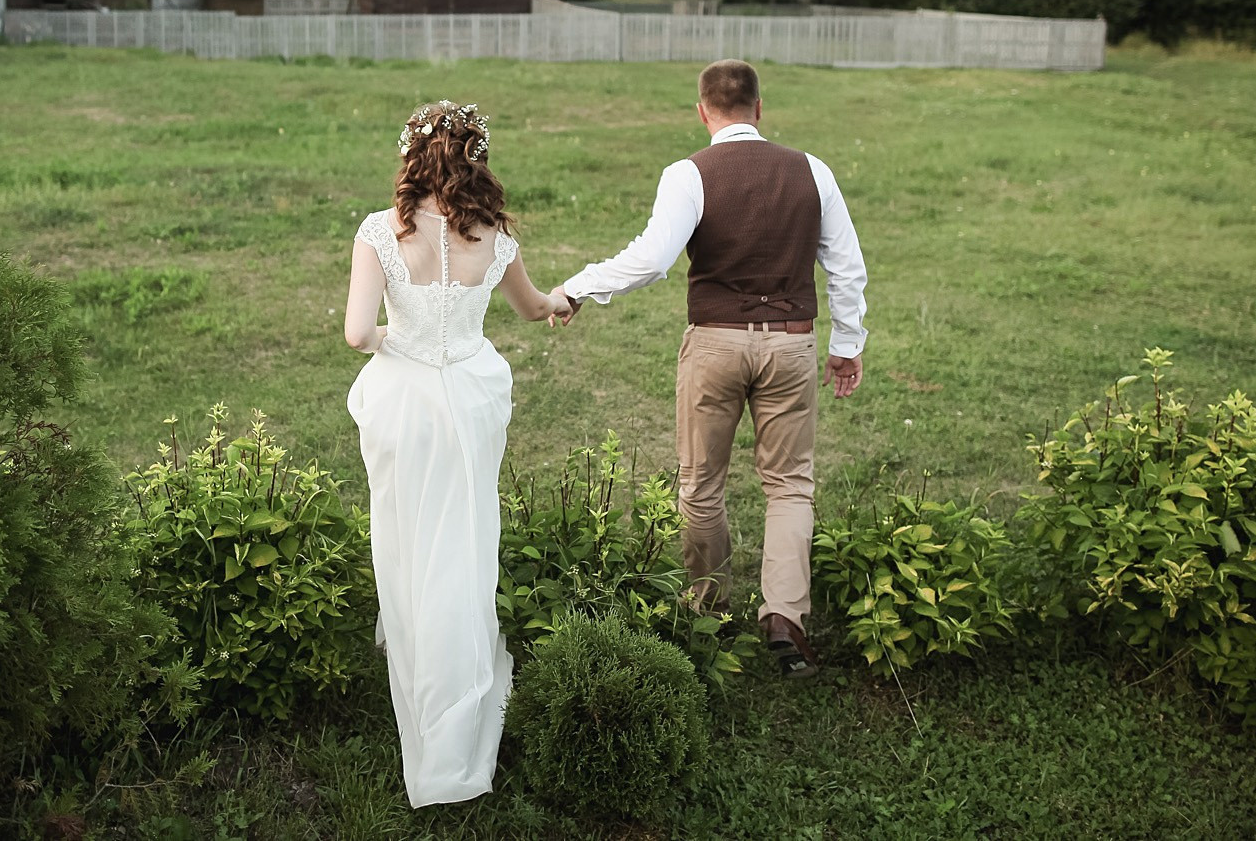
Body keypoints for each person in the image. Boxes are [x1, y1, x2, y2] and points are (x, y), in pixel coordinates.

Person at [549, 59, 868, 677]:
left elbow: (652, 258)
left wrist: (580, 286)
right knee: (790, 483)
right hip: (792, 344)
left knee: (701, 484)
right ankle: (785, 617)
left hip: (715, 347)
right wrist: (846, 343)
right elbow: (846, 264)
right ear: (759, 107)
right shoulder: (812, 170)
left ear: (703, 111)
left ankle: (710, 612)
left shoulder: (689, 173)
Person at [343, 99, 567, 808]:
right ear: (477, 160)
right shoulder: (494, 235)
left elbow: (356, 333)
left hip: (403, 404)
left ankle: (410, 642)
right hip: (469, 400)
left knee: (407, 533)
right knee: (465, 537)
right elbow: (534, 308)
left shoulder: (381, 232)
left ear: (412, 158)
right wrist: (567, 299)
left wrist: (400, 341)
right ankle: (457, 685)